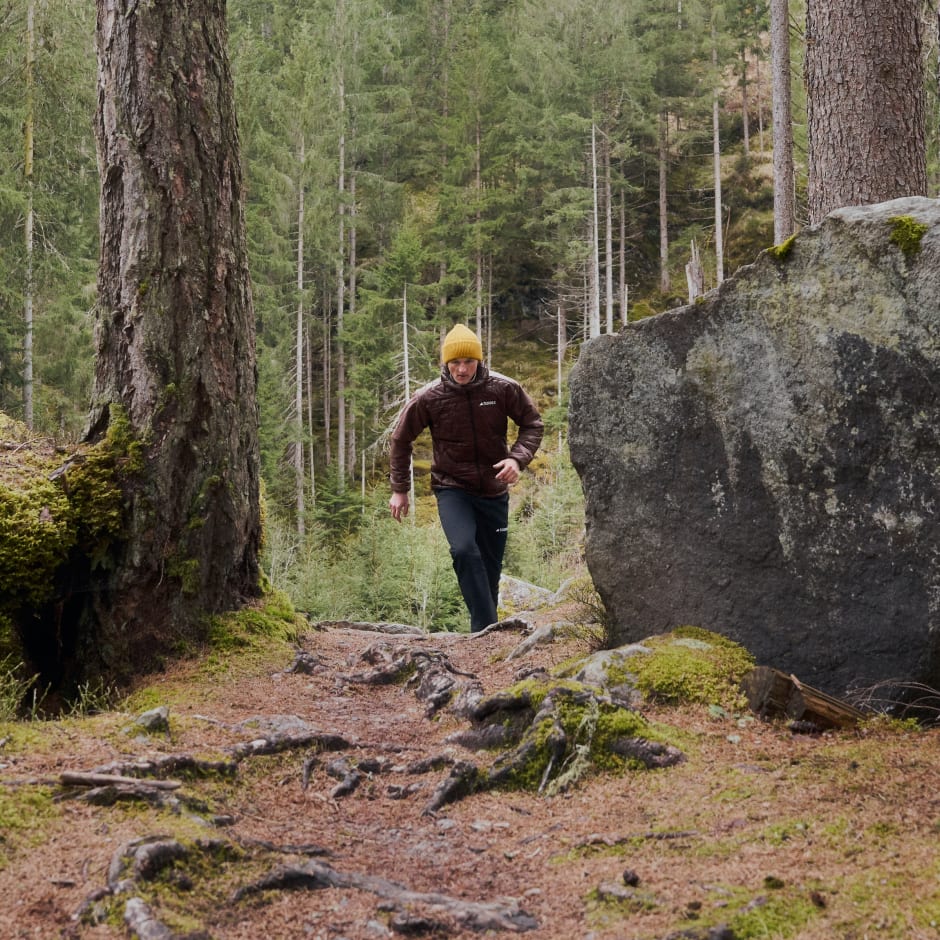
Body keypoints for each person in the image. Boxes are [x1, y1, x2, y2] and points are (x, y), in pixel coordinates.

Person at [389, 324, 544, 632]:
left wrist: (517, 458)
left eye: (468, 361)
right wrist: (400, 490)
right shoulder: (429, 397)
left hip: (494, 490)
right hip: (452, 488)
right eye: (455, 362)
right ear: (445, 363)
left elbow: (532, 424)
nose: (461, 369)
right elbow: (400, 439)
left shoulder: (503, 388)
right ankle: (487, 633)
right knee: (463, 550)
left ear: (479, 361)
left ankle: (483, 634)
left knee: (490, 568)